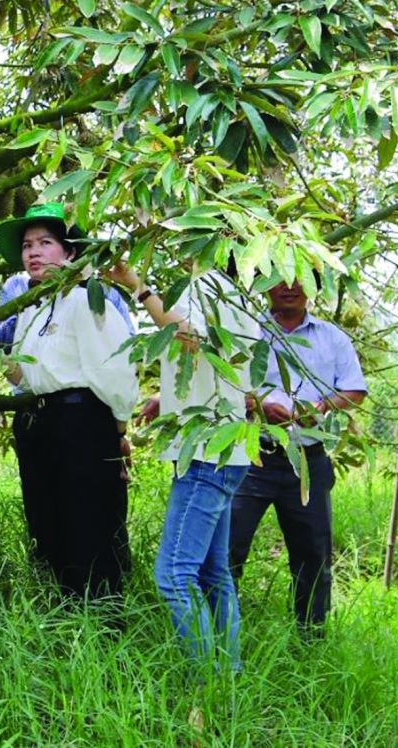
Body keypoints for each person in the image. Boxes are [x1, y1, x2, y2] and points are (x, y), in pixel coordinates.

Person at [112, 258, 261, 668]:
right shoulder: (239, 296)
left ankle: (204, 682)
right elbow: (217, 365)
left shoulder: (209, 284)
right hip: (225, 448)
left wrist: (136, 286)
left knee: (174, 575)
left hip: (206, 454)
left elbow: (187, 335)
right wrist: (169, 399)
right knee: (215, 575)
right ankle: (226, 677)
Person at [0, 203, 139, 600]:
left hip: (82, 423)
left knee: (90, 528)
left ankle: (106, 623)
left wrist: (120, 430)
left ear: (70, 252)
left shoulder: (88, 300)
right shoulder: (30, 309)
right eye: (27, 245)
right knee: (47, 525)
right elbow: (26, 376)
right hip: (38, 423)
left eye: (45, 243)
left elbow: (115, 371)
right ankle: (67, 620)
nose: (33, 253)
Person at [228, 277, 366, 631]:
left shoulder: (331, 337)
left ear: (313, 287)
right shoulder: (247, 331)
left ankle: (311, 638)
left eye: (298, 281)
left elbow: (353, 390)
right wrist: (257, 404)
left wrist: (318, 407)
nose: (288, 288)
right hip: (252, 456)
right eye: (279, 280)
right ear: (264, 285)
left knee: (313, 556)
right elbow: (225, 382)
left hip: (307, 459)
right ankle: (220, 631)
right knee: (229, 549)